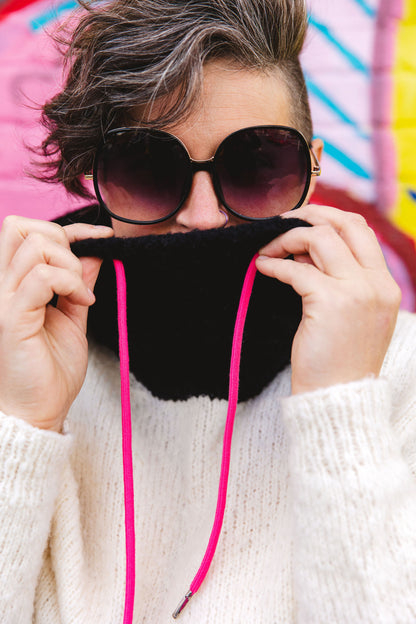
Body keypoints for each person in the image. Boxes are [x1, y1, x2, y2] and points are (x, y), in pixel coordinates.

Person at [0, 0, 415, 622]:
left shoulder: (399, 370)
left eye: (256, 166)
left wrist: (343, 404)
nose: (201, 216)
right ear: (97, 179)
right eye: (147, 168)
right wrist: (22, 423)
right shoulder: (22, 357)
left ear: (312, 166)